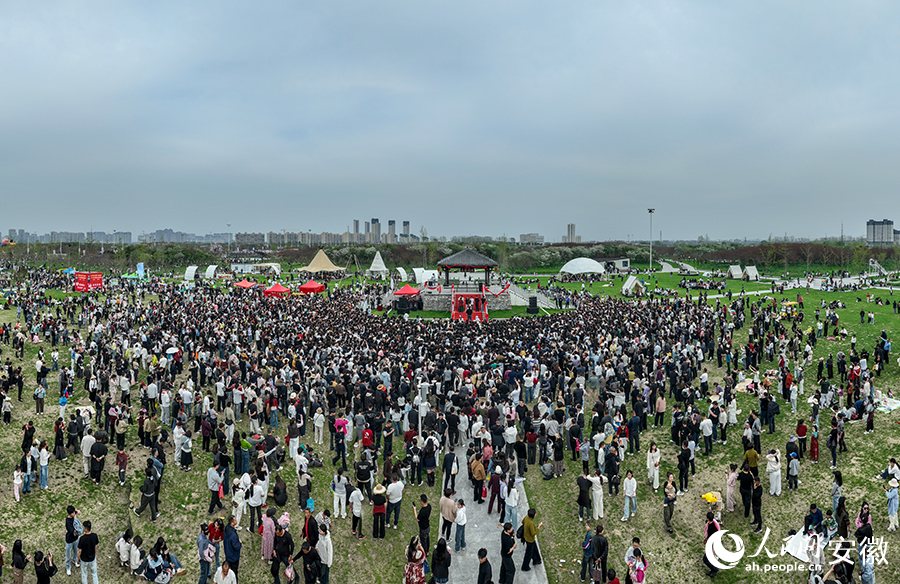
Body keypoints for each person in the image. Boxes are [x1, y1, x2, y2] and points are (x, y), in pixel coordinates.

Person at [222, 515, 242, 583]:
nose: (236, 521)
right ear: (232, 523)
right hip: (234, 557)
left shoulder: (226, 528)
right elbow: (237, 547)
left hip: (228, 553)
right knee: (234, 573)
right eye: (235, 520)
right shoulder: (233, 535)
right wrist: (239, 543)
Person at [64, 505, 81, 576]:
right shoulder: (68, 522)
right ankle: (68, 567)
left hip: (76, 539)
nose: (74, 514)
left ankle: (74, 560)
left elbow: (74, 511)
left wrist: (77, 511)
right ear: (70, 514)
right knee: (68, 554)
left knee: (75, 550)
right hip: (69, 540)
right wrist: (76, 520)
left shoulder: (73, 514)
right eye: (73, 513)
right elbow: (73, 531)